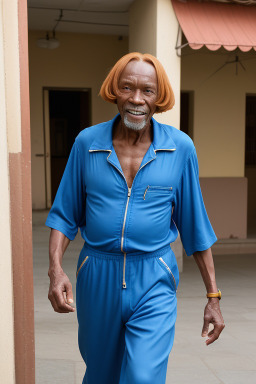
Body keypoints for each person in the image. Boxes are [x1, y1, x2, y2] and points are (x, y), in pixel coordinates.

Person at [46, 52, 225, 384]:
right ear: (115, 91)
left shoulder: (180, 148)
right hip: (97, 273)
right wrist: (56, 270)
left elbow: (195, 226)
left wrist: (213, 297)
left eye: (147, 91)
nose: (136, 99)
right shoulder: (87, 144)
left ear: (159, 99)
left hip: (154, 275)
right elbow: (63, 215)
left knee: (142, 377)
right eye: (127, 88)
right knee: (101, 374)